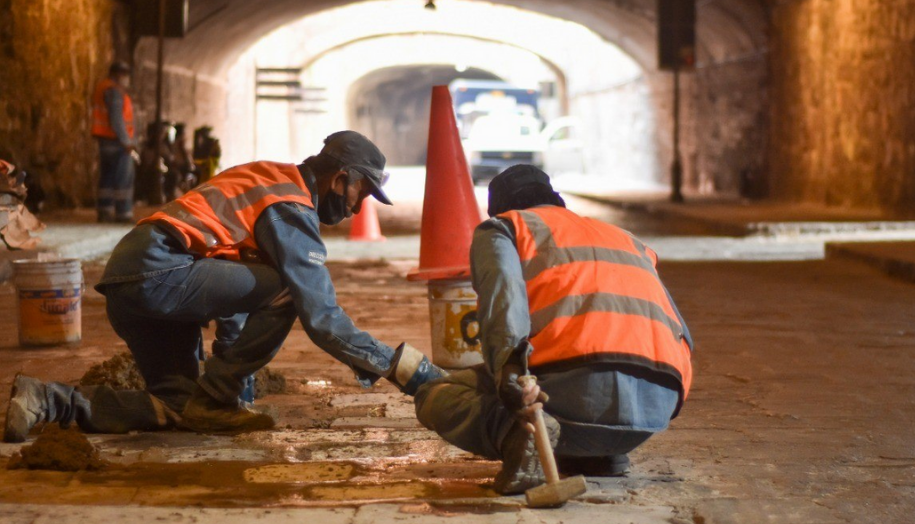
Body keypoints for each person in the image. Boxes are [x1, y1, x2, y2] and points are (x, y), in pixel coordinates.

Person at [3, 131, 445, 442]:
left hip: (132, 278)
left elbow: (233, 288)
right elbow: (322, 317)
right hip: (161, 273)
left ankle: (45, 400)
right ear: (341, 177)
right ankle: (215, 399)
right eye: (361, 194)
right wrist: (406, 371)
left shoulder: (268, 176)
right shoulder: (290, 207)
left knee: (177, 407)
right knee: (289, 289)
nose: (355, 208)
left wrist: (237, 390)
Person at [415, 165, 693, 494]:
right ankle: (600, 455)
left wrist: (510, 372)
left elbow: (503, 303)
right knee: (586, 371)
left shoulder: (504, 227)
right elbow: (679, 331)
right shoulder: (626, 239)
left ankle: (517, 436)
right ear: (555, 201)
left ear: (502, 208)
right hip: (655, 406)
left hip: (576, 399)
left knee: (436, 395)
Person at [92, 61, 137, 223]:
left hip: (105, 141)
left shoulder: (103, 87)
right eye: (125, 75)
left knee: (107, 177)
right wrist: (126, 141)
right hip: (117, 143)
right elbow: (116, 118)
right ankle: (123, 214)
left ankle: (104, 211)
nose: (126, 79)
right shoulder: (114, 91)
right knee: (123, 178)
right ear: (119, 74)